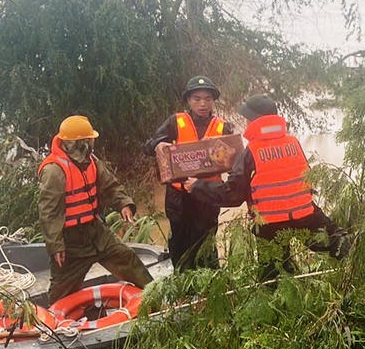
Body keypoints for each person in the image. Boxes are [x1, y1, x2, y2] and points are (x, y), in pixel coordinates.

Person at [185, 95, 348, 278]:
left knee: (274, 274)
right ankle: (358, 265)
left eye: (247, 119)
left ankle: (280, 285)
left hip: (270, 223)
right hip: (305, 215)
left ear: (253, 121)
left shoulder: (251, 151)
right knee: (337, 241)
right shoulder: (293, 143)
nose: (245, 123)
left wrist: (198, 186)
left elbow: (233, 195)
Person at [38, 115, 153, 303]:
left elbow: (110, 187)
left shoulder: (92, 161)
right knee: (61, 292)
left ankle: (155, 295)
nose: (93, 143)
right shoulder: (54, 171)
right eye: (90, 139)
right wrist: (56, 246)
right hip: (71, 241)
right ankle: (57, 319)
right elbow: (49, 213)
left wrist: (124, 204)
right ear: (79, 143)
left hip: (96, 231)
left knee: (126, 257)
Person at [144, 76, 235, 270]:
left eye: (208, 99)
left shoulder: (223, 126)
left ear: (213, 101)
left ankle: (209, 281)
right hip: (179, 197)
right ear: (188, 100)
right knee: (179, 243)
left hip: (207, 194)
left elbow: (235, 161)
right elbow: (149, 146)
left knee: (206, 244)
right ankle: (181, 279)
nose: (203, 104)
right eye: (197, 99)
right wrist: (158, 146)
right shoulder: (175, 122)